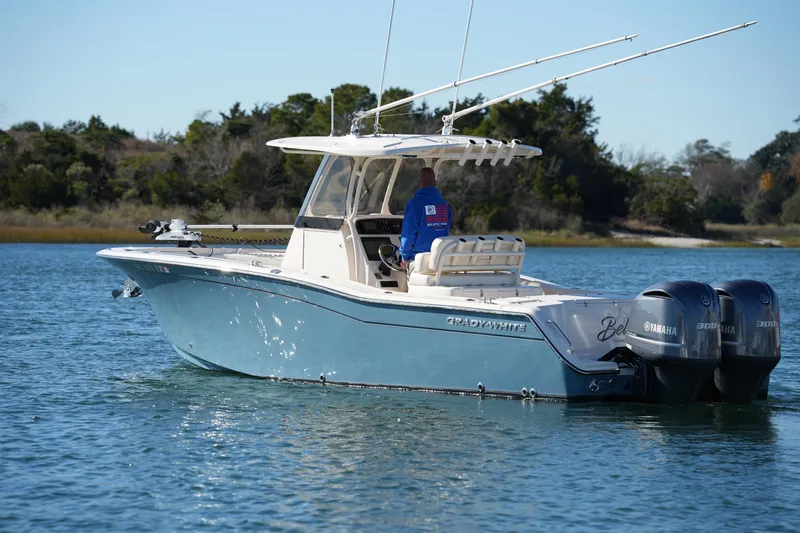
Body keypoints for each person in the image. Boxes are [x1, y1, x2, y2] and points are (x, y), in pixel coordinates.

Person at [399, 167, 452, 274]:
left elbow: (408, 234)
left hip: (419, 261)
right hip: (440, 261)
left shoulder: (414, 204)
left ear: (419, 184)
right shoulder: (445, 206)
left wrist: (404, 256)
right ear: (435, 183)